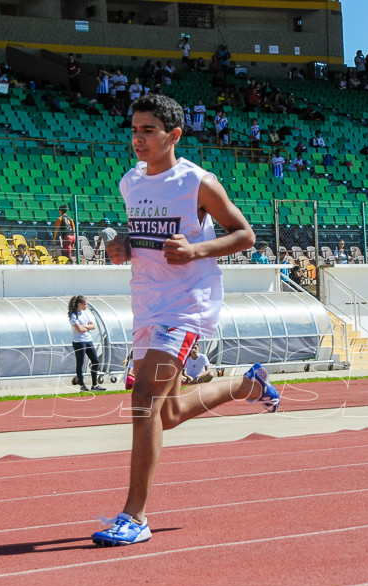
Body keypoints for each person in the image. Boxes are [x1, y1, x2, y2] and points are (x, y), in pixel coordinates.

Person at [95, 93, 277, 548]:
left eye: (148, 131)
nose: (137, 139)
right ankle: (246, 385)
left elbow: (245, 235)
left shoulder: (196, 182)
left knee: (143, 400)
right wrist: (122, 245)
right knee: (168, 413)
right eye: (134, 130)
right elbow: (141, 236)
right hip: (146, 304)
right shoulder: (130, 182)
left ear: (174, 135)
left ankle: (134, 516)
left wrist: (197, 250)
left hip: (187, 304)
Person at [68, 295, 105, 392]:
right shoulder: (73, 315)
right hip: (79, 342)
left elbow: (93, 326)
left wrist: (85, 327)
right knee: (80, 363)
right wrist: (86, 327)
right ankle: (82, 385)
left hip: (88, 340)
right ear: (79, 304)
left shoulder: (85, 314)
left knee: (95, 361)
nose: (86, 306)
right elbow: (79, 330)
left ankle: (94, 385)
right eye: (85, 304)